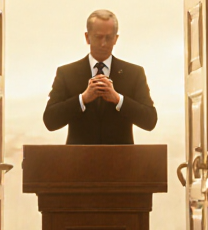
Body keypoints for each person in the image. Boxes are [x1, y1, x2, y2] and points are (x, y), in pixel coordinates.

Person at [43, 9, 157, 145]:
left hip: (121, 157)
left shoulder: (134, 73)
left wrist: (118, 99)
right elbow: (50, 121)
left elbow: (150, 121)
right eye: (98, 37)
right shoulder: (67, 73)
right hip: (78, 157)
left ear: (116, 39)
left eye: (108, 38)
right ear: (87, 37)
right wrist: (83, 99)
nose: (103, 43)